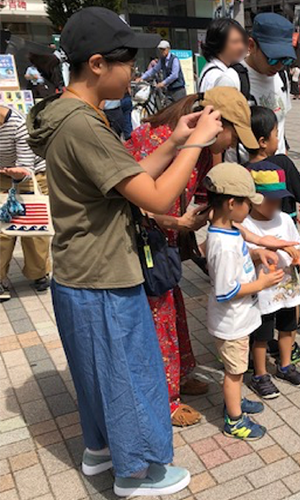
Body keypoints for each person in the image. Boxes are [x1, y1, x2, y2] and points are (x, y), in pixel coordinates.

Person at [26, 7, 223, 496]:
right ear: (97, 63)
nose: (134, 72)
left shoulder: (71, 115)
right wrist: (196, 145)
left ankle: (101, 450)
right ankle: (137, 473)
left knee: (97, 373)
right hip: (103, 274)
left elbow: (124, 178)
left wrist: (175, 138)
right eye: (127, 62)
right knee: (128, 375)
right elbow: (155, 198)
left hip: (82, 271)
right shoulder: (84, 126)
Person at [125, 87, 266, 427]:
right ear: (216, 121)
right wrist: (175, 221)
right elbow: (132, 196)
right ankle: (166, 399)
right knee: (159, 319)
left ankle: (180, 376)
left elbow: (204, 192)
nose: (231, 145)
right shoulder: (158, 137)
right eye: (233, 136)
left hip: (168, 241)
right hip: (145, 242)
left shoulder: (204, 147)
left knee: (173, 312)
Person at [203, 162, 282, 440]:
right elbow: (226, 290)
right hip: (231, 321)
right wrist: (260, 284)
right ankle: (234, 419)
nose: (250, 208)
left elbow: (240, 254)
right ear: (231, 203)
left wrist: (258, 254)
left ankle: (234, 401)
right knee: (234, 373)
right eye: (248, 203)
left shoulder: (229, 230)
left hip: (239, 319)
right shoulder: (222, 245)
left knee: (237, 370)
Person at [246, 105, 300, 364]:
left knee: (264, 316)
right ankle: (284, 354)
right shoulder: (282, 163)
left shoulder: (241, 171)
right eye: (276, 133)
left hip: (261, 268)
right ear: (263, 141)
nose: (279, 138)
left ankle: (265, 359)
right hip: (280, 262)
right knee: (286, 308)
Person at [243, 165, 300, 399]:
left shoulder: (284, 220)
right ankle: (260, 374)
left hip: (288, 288)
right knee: (261, 335)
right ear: (253, 199)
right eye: (269, 201)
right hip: (263, 291)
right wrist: (260, 253)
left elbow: (298, 245)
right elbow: (246, 255)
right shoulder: (246, 224)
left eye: (278, 200)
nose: (275, 206)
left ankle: (285, 365)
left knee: (288, 327)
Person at [0, 105, 50, 301]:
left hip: (31, 175)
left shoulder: (18, 124)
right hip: (3, 174)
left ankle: (38, 273)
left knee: (33, 230)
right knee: (2, 230)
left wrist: (15, 175)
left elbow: (25, 167)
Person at [244, 13, 296, 155]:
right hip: (247, 172)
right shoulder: (234, 79)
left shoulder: (282, 76)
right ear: (252, 46)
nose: (279, 65)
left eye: (285, 60)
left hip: (276, 171)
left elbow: (280, 125)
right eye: (272, 59)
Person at [197, 18, 247, 94]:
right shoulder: (218, 76)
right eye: (235, 42)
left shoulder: (215, 70)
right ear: (218, 44)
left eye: (242, 41)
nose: (241, 47)